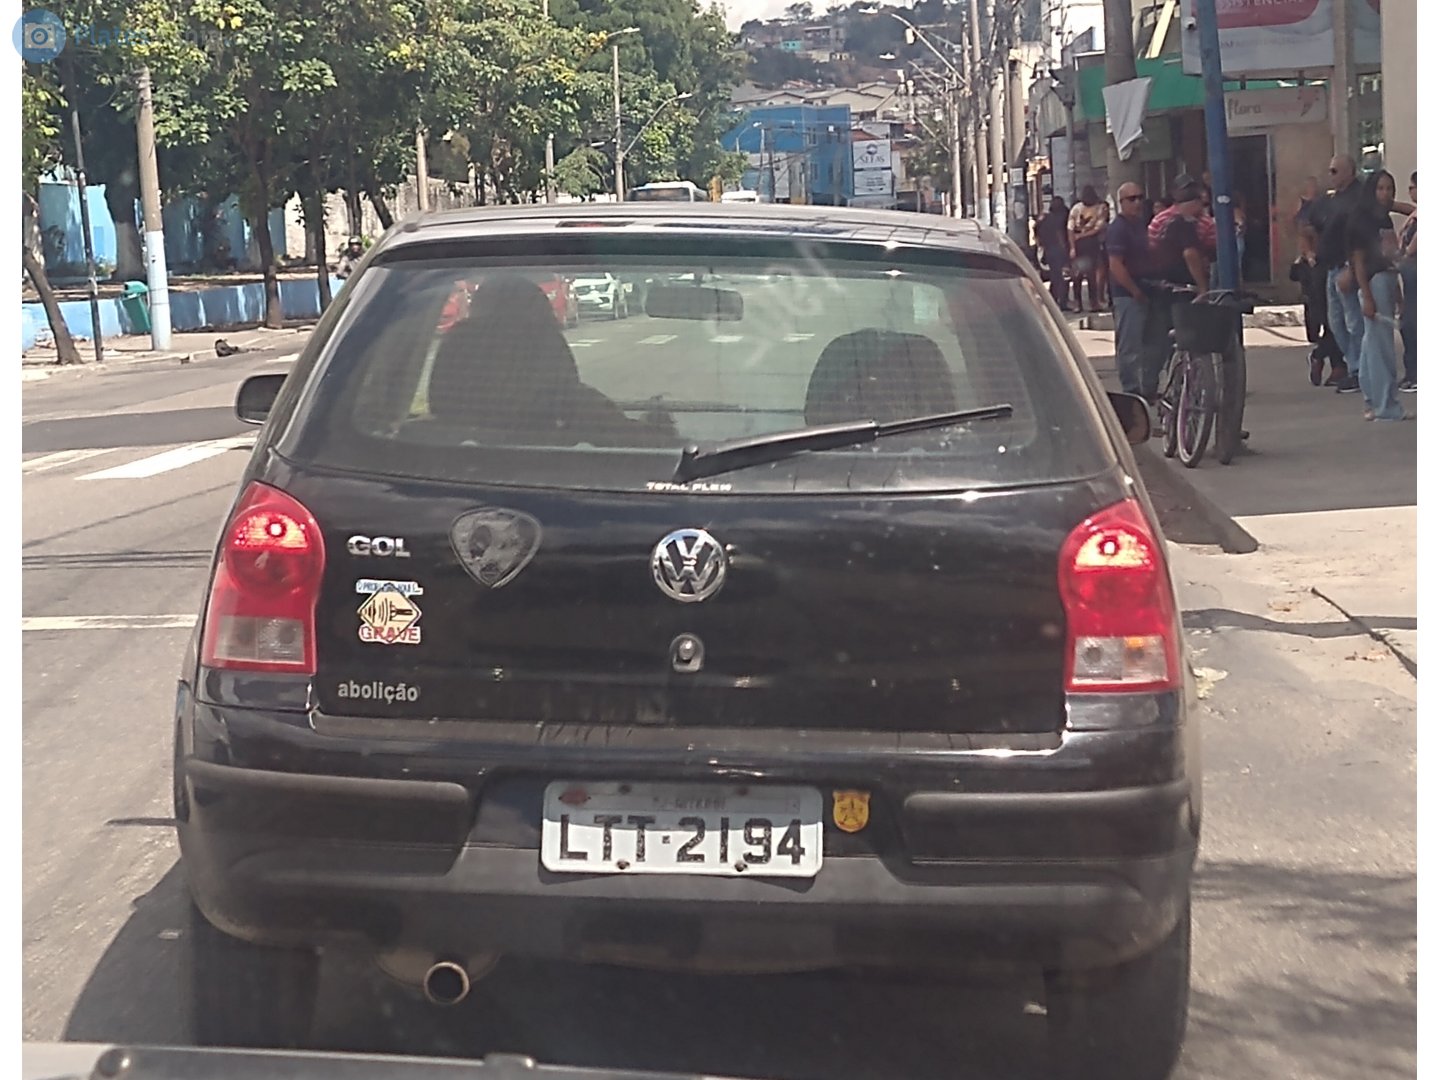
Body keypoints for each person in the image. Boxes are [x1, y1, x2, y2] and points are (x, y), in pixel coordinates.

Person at [1302, 155, 1368, 394]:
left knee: (1353, 321)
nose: (1331, 176)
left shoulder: (1358, 198)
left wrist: (1352, 268)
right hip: (1329, 267)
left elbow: (1363, 236)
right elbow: (1309, 228)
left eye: (1334, 171)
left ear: (1349, 171)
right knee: (1335, 322)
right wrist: (1311, 254)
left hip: (1347, 266)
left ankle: (1361, 370)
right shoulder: (1331, 200)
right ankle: (1354, 366)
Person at [1348, 169, 1407, 421]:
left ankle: (1372, 401)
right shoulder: (1362, 220)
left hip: (1386, 280)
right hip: (1374, 283)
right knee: (1381, 348)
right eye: (1381, 188)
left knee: (1370, 346)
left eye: (1390, 189)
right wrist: (1368, 295)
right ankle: (1386, 405)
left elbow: (1391, 258)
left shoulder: (1383, 219)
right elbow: (1359, 261)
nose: (1385, 194)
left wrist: (1398, 295)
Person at [1106, 182, 1165, 401]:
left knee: (1155, 343)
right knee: (1130, 346)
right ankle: (1131, 391)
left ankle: (1148, 388)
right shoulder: (1118, 229)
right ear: (1121, 203)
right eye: (1132, 199)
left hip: (1149, 290)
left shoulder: (1141, 225)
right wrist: (1134, 290)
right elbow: (1115, 265)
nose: (1137, 203)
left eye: (1140, 197)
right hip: (1128, 295)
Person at [1068, 186, 1109, 312]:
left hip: (1088, 243)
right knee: (1081, 275)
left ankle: (1086, 303)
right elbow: (1070, 228)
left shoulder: (1099, 208)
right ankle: (1086, 303)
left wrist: (1074, 243)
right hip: (1088, 244)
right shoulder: (1082, 208)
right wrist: (1073, 246)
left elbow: (1098, 228)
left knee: (1086, 275)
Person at [1399, 172, 1417, 391]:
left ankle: (1415, 373)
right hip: (1409, 273)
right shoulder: (1415, 214)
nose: (1410, 191)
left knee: (1411, 325)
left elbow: (1413, 246)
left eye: (1413, 187)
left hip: (1415, 273)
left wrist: (1402, 256)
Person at [1036, 197, 1072, 310]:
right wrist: (1066, 250)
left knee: (1054, 276)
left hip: (1048, 250)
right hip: (1059, 250)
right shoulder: (1061, 218)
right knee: (1064, 277)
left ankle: (1053, 300)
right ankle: (1063, 302)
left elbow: (1037, 231)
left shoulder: (1045, 218)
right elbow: (1060, 235)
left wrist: (1041, 245)